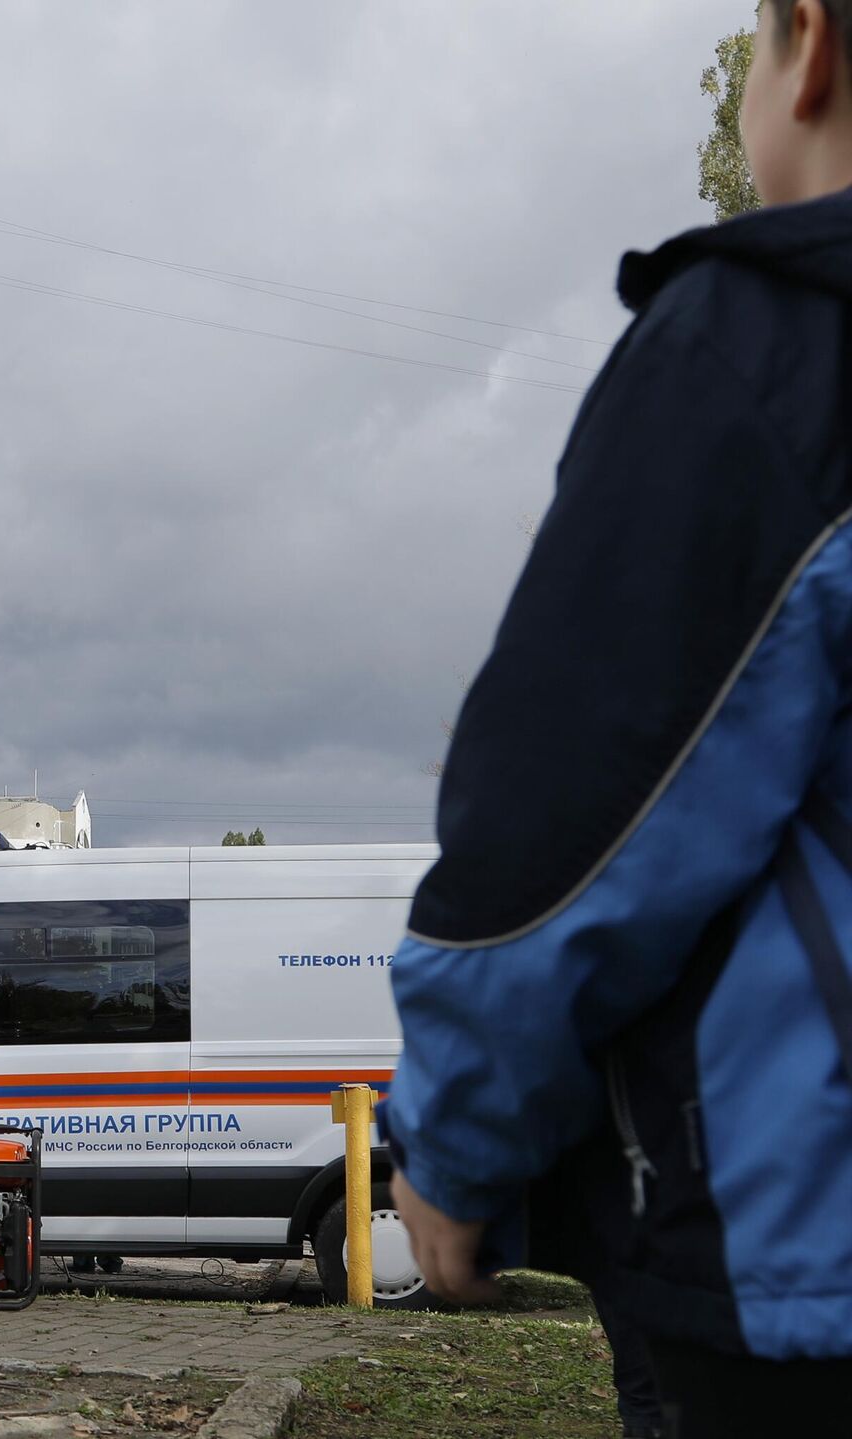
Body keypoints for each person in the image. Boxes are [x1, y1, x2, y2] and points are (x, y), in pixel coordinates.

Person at [381, 1, 852, 1432]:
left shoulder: (764, 355)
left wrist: (454, 1150)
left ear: (809, 46)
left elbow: (569, 820)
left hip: (796, 1262)